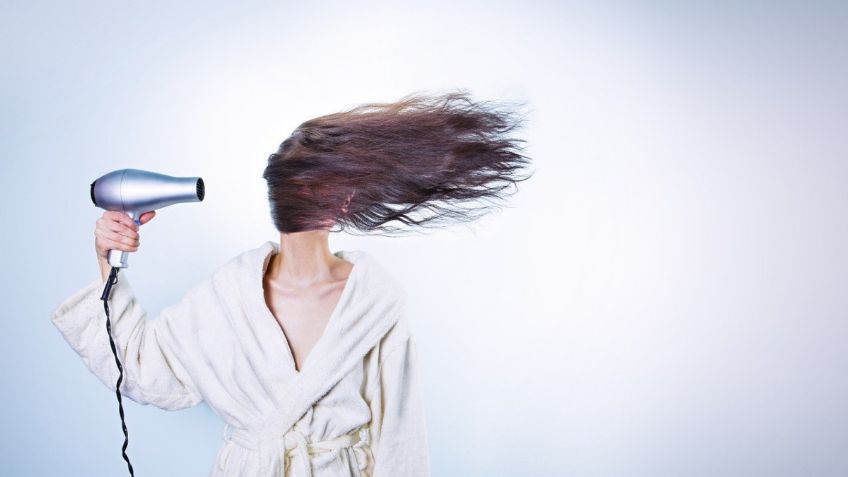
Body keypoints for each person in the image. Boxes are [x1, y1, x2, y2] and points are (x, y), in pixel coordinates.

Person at [50, 89, 534, 477]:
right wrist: (105, 261)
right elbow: (142, 371)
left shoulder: (374, 306)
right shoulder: (227, 298)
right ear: (344, 200)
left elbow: (401, 443)